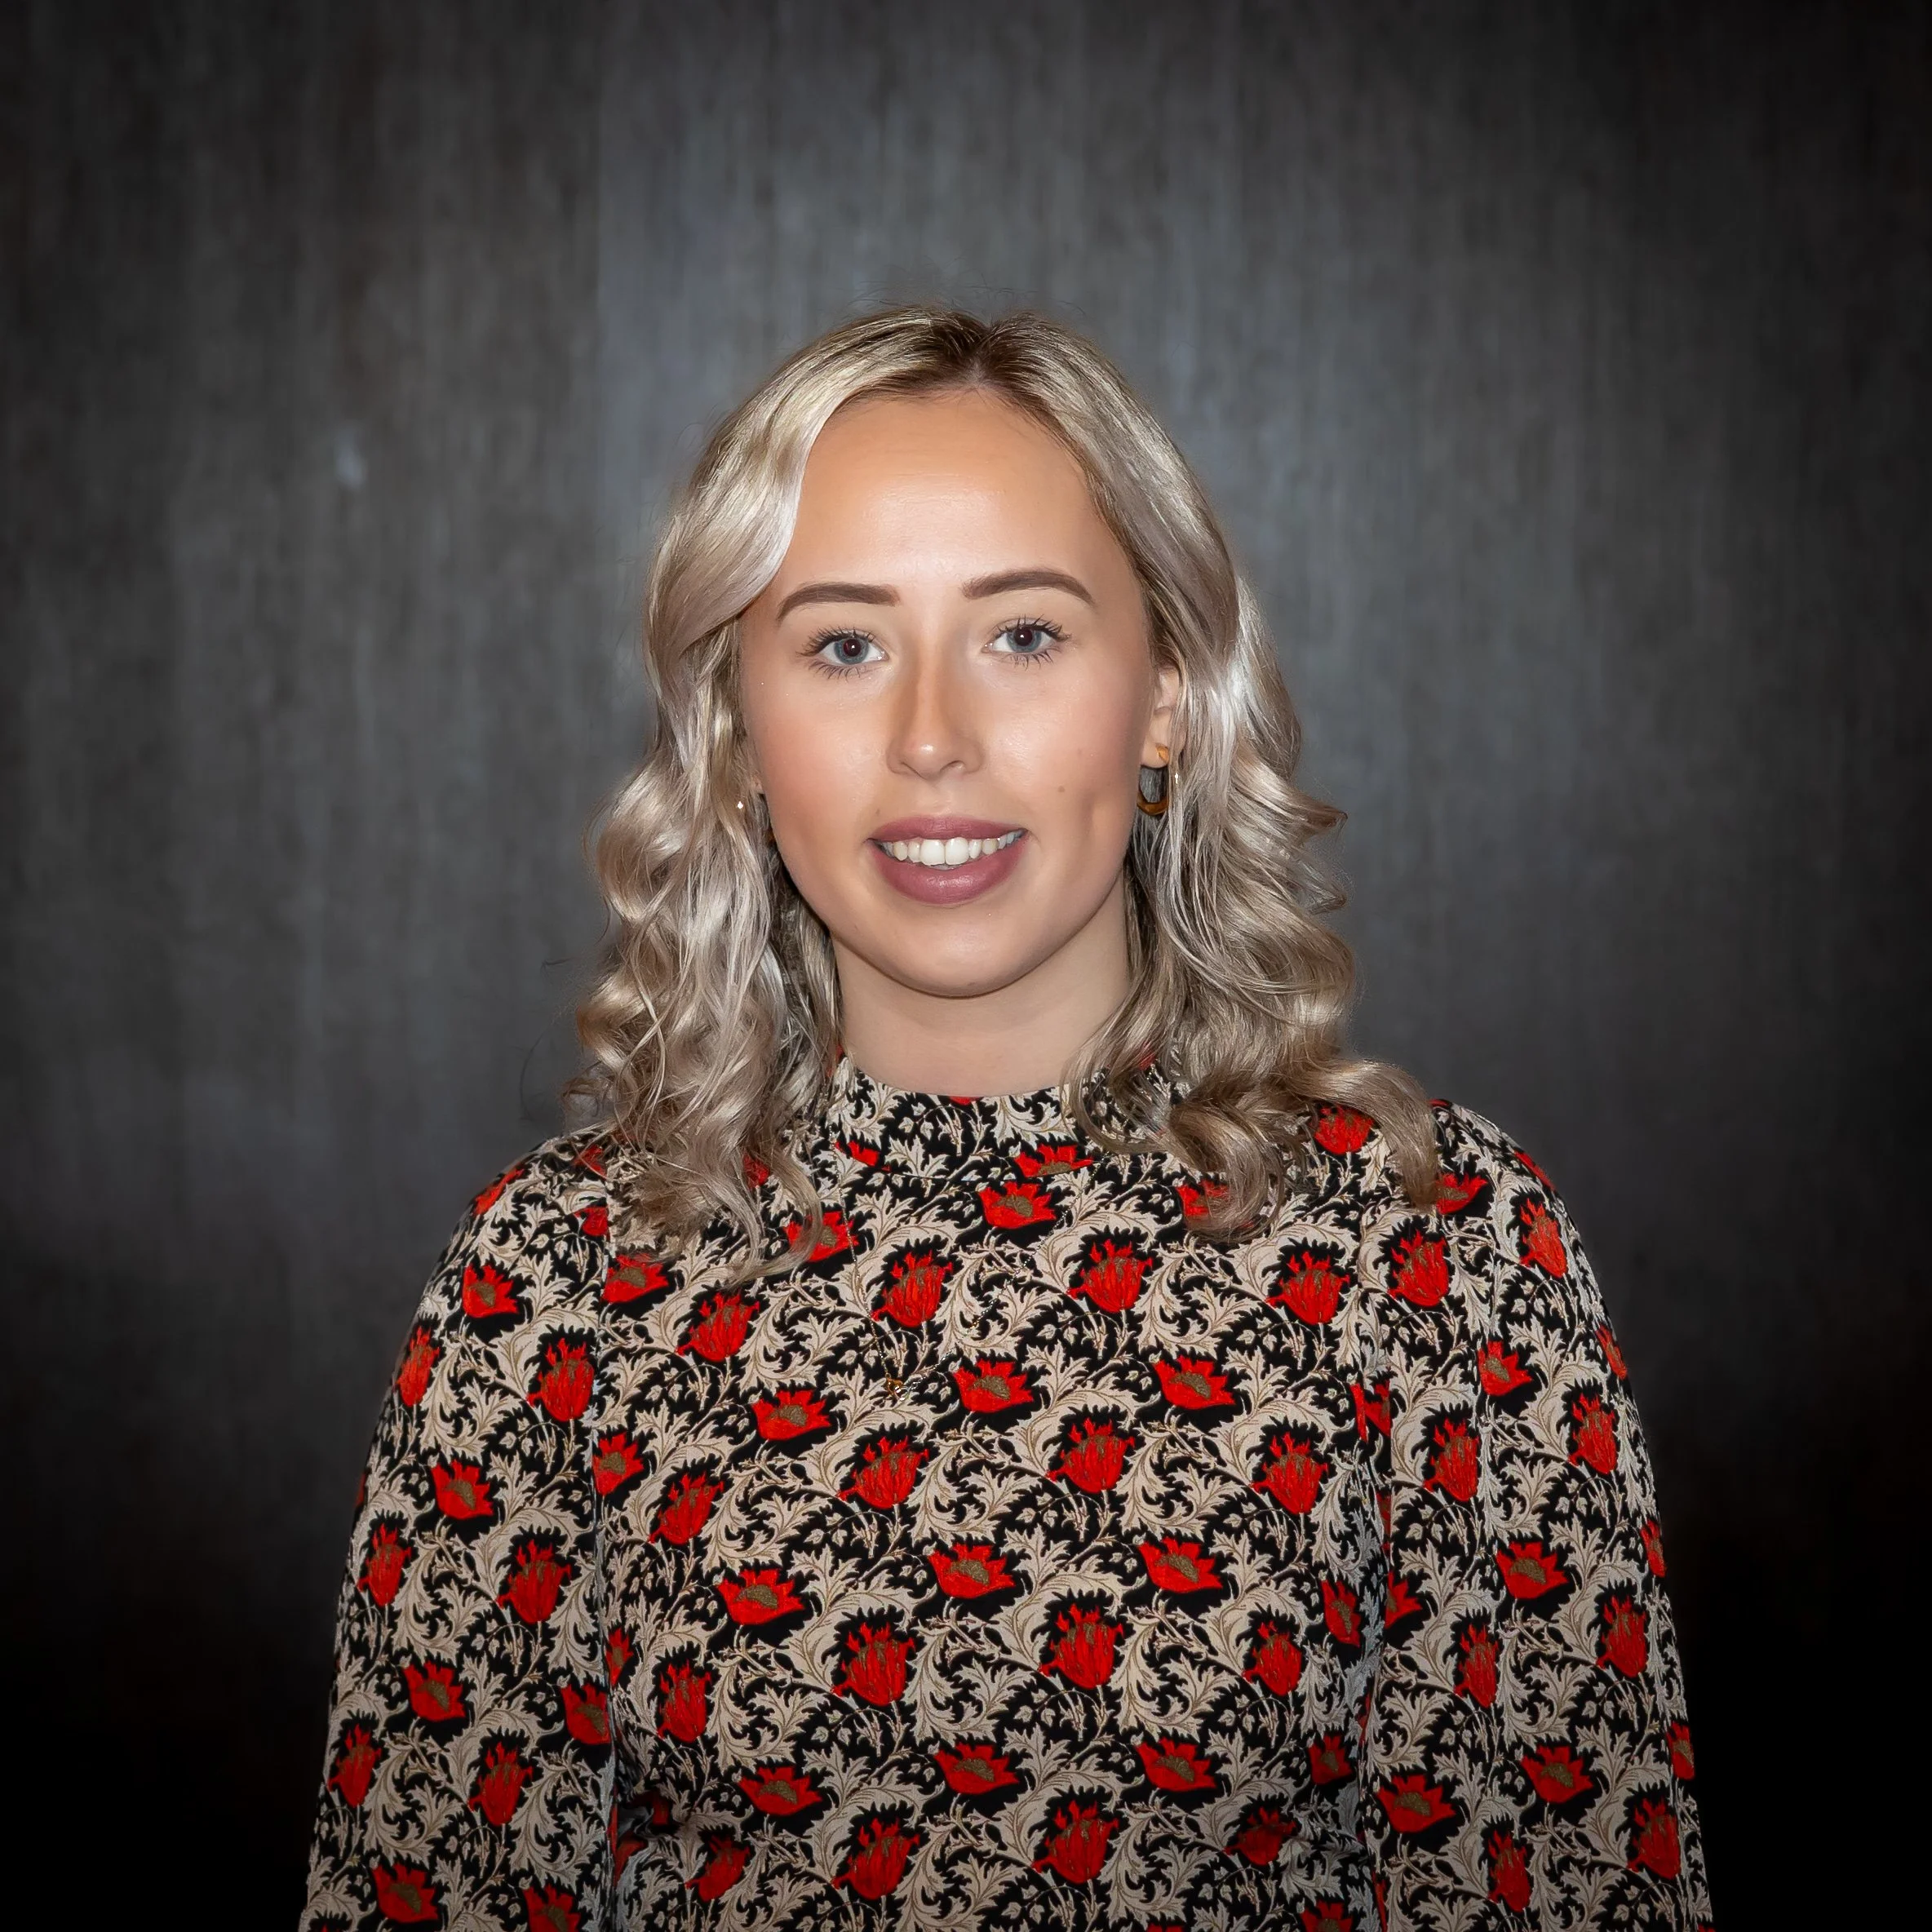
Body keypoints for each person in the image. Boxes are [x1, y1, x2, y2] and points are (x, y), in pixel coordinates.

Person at [303, 309, 1711, 1930]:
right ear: (737, 736)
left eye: (1022, 635)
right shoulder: (549, 1279)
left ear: (1168, 694)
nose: (928, 737)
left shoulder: (1437, 1248)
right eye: (840, 644)